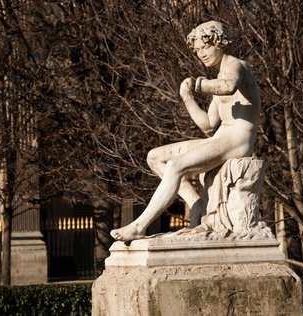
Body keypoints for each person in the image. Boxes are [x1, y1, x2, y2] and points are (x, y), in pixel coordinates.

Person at [111, 21, 261, 242]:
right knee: (155, 157)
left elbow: (228, 85)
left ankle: (139, 226)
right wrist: (187, 97)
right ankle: (196, 203)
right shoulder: (220, 76)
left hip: (238, 139)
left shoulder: (236, 65)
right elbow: (208, 124)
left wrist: (198, 84)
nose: (201, 54)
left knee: (176, 165)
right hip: (222, 137)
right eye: (198, 50)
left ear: (219, 43)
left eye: (205, 47)